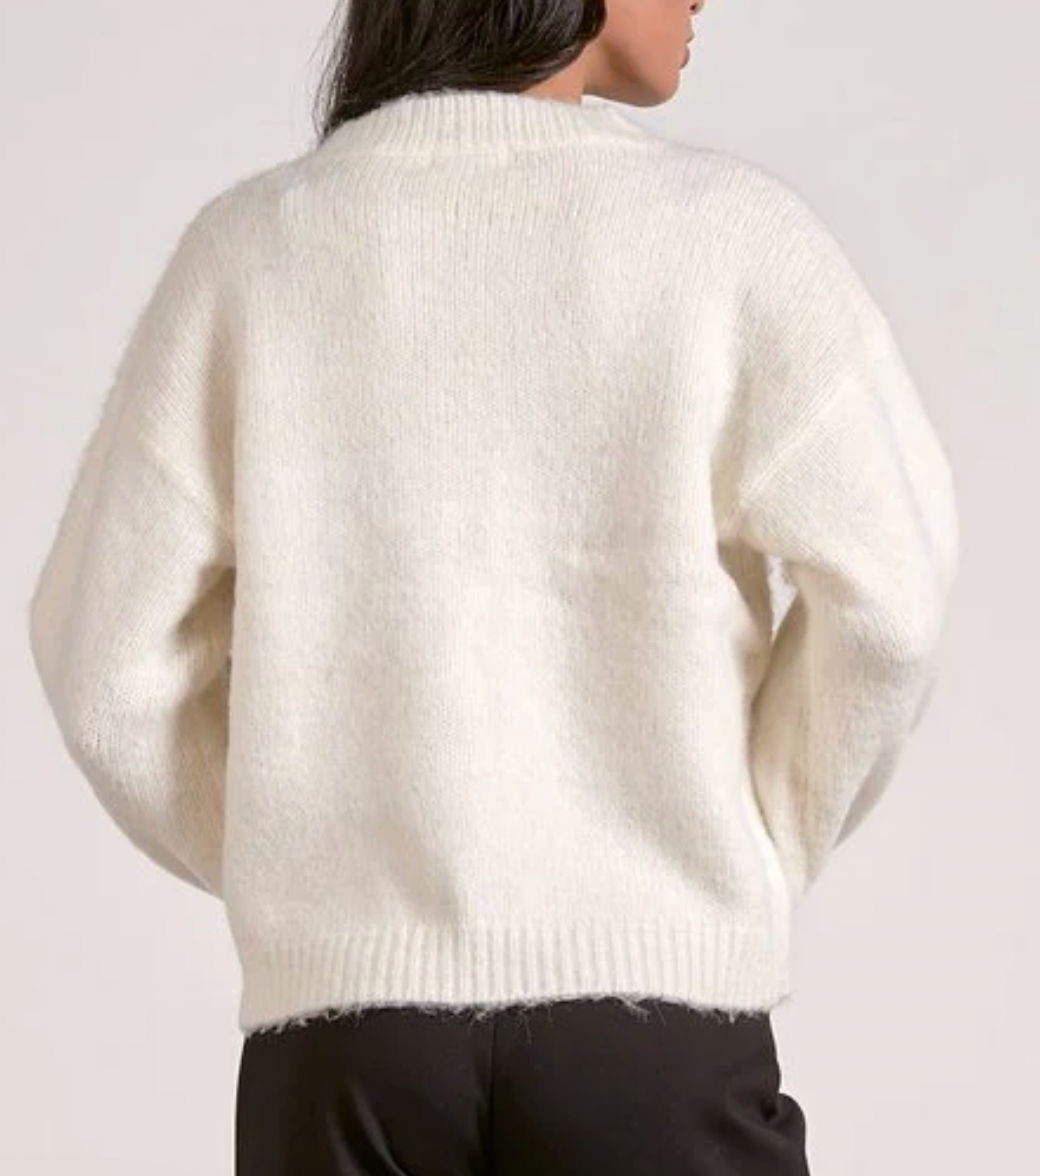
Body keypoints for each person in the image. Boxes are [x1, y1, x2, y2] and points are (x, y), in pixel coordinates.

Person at [26, 0, 959, 1173]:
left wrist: (307, 866)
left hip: (342, 1048)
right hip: (653, 1029)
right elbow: (890, 596)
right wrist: (753, 841)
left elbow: (101, 653)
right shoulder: (729, 238)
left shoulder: (255, 249)